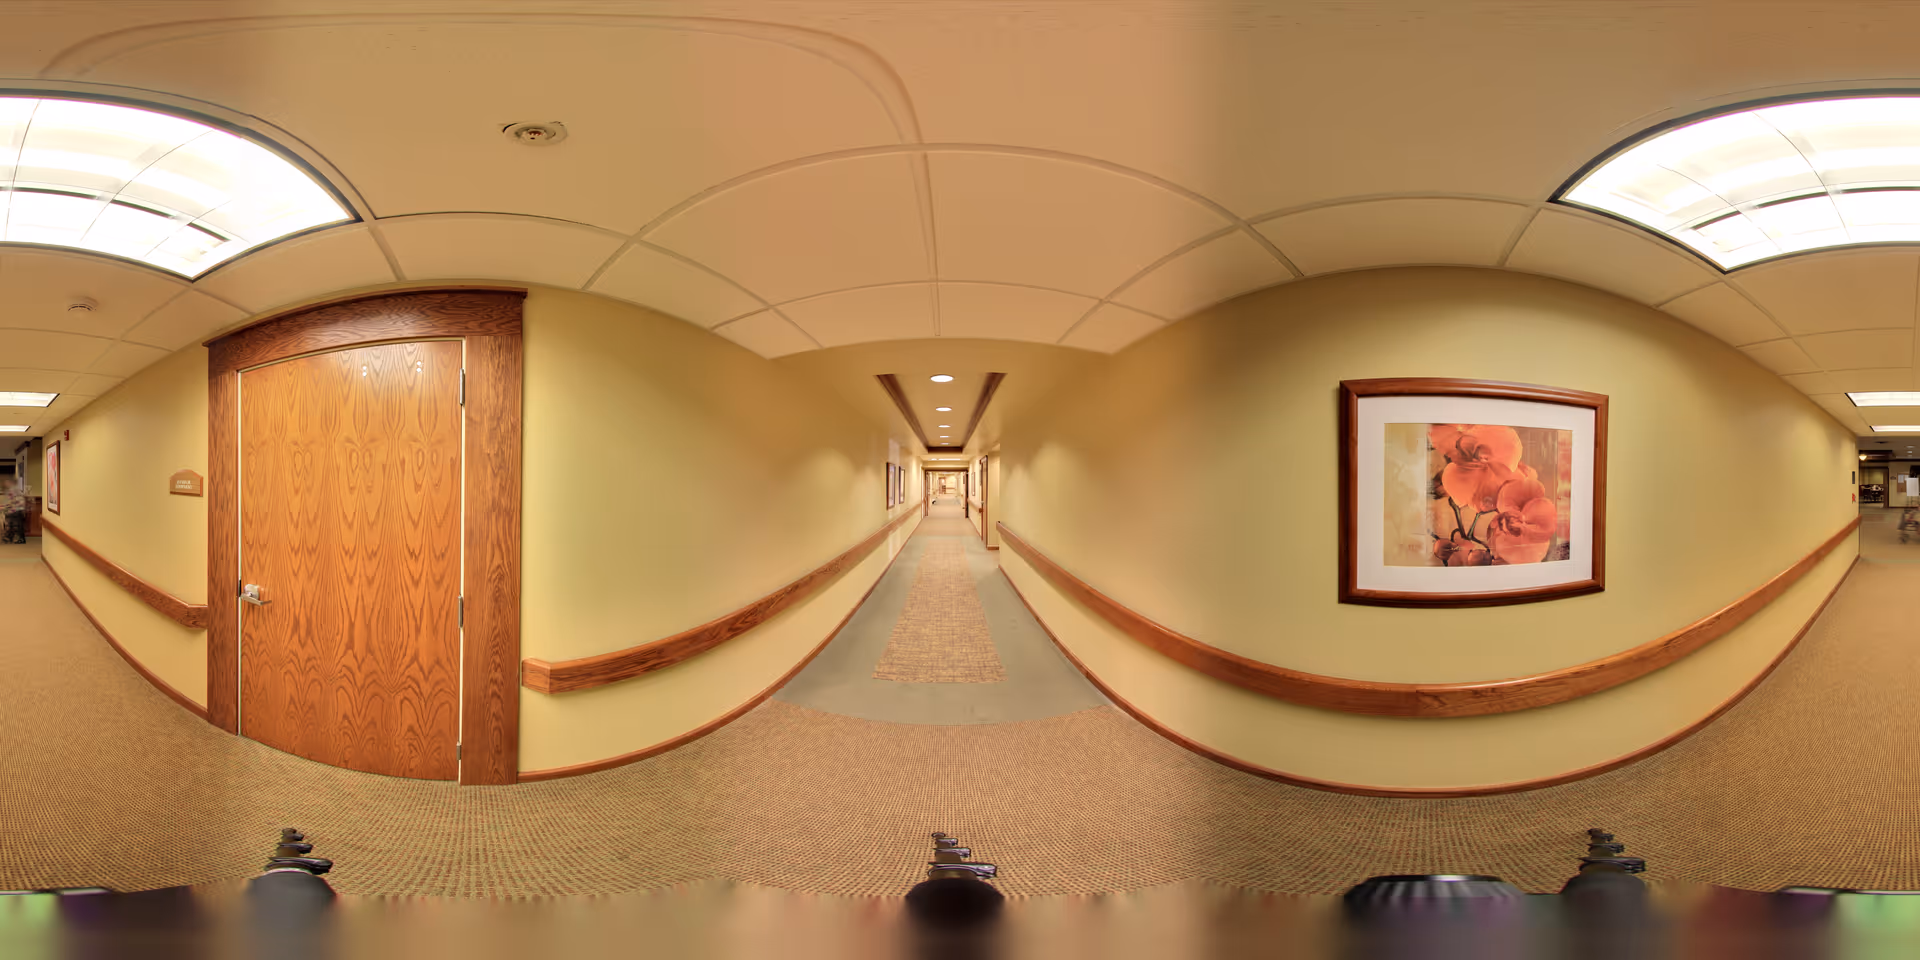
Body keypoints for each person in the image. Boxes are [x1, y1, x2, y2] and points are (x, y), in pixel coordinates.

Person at [1, 476, 26, 544]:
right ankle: (10, 537)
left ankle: (18, 538)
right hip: (17, 510)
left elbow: (10, 502)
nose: (5, 484)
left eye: (6, 483)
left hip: (15, 510)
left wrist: (3, 507)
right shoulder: (16, 490)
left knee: (15, 525)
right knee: (14, 525)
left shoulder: (12, 491)